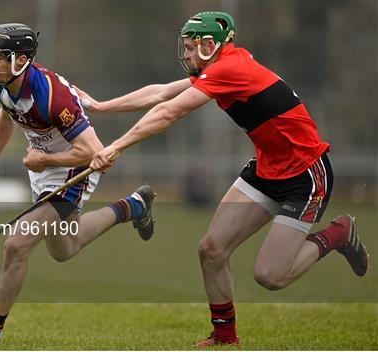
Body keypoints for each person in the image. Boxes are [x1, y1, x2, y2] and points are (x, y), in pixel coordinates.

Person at [78, 11, 369, 347]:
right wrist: (100, 107)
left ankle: (338, 233)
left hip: (305, 175)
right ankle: (225, 337)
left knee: (270, 276)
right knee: (212, 250)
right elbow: (160, 94)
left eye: (190, 47)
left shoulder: (229, 69)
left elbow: (168, 111)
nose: (185, 54)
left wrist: (115, 147)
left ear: (209, 46)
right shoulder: (222, 67)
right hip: (266, 169)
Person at [0, 23, 156, 346]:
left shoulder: (53, 97)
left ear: (21, 60)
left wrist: (46, 161)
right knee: (66, 247)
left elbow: (95, 153)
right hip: (44, 162)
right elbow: (7, 114)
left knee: (16, 244)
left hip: (74, 166)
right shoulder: (3, 83)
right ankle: (132, 206)